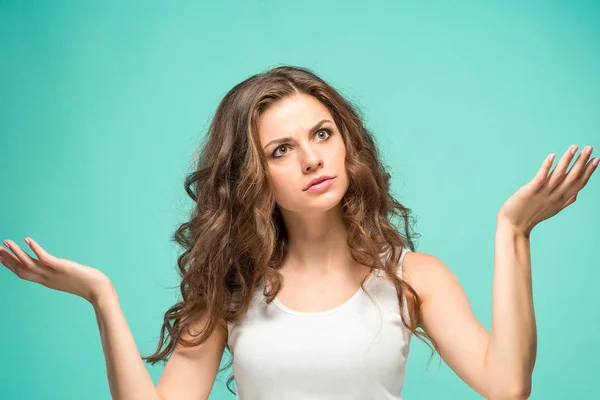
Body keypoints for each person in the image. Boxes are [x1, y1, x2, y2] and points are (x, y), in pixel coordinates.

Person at [1, 65, 597, 400]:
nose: (312, 159)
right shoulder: (230, 289)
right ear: (253, 177)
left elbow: (507, 383)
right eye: (281, 150)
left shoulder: (413, 276)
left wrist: (513, 231)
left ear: (346, 143)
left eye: (321, 134)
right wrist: (101, 296)